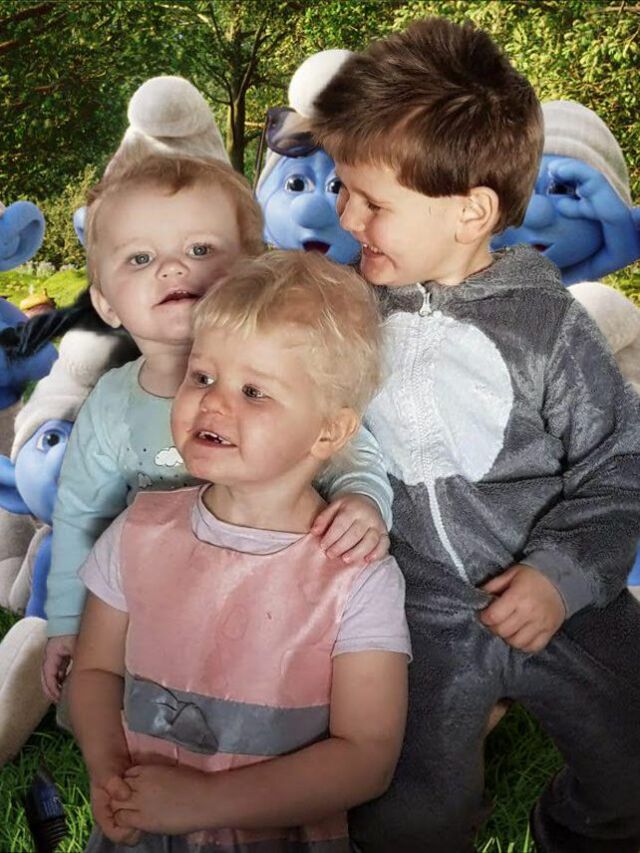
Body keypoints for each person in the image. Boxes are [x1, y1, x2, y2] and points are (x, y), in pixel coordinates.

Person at [310, 16, 640, 853]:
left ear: (471, 212)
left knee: (632, 771)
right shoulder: (343, 310)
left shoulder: (548, 328)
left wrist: (563, 576)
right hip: (414, 613)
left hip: (564, 598)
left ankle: (576, 828)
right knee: (401, 813)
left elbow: (618, 466)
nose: (345, 214)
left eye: (373, 201)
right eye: (342, 187)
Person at [67, 250, 411, 851]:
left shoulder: (356, 578)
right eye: (202, 377)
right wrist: (109, 772)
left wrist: (206, 802)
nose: (213, 402)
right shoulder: (138, 531)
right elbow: (94, 671)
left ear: (328, 431)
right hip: (143, 828)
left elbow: (367, 757)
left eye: (254, 391)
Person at [42, 155, 394, 704]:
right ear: (105, 302)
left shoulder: (293, 371)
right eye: (140, 258)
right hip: (161, 595)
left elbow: (352, 449)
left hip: (271, 592)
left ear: (254, 270)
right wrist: (68, 621)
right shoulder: (112, 403)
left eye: (200, 249)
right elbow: (80, 514)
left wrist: (363, 501)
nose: (173, 269)